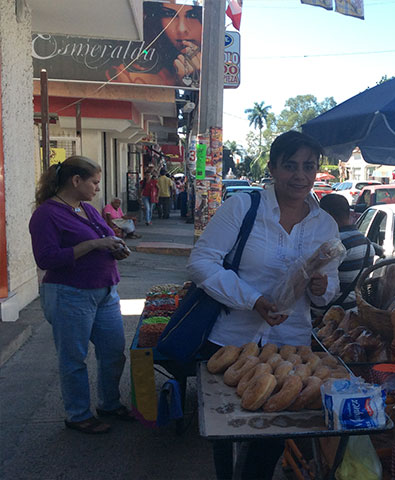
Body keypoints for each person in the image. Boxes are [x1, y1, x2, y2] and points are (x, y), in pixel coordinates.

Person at [187, 131, 341, 480]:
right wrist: (253, 300)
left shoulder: (325, 224)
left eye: (308, 166)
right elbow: (201, 262)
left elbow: (329, 288)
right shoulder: (243, 208)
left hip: (290, 348)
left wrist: (322, 287)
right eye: (290, 165)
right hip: (231, 341)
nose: (300, 175)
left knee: (270, 443)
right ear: (272, 168)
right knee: (226, 438)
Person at [29, 156, 133, 435]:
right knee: (73, 358)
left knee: (113, 352)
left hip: (105, 291)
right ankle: (78, 414)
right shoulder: (46, 214)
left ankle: (109, 403)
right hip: (70, 294)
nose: (98, 188)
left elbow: (105, 238)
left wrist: (115, 248)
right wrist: (94, 244)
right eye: (94, 182)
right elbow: (46, 258)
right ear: (76, 181)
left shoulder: (87, 209)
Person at [106, 2, 202, 88]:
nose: (181, 29)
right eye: (169, 14)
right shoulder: (136, 73)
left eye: (193, 15)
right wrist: (182, 84)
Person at [317, 193, 375, 310]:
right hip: (355, 308)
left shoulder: (334, 244)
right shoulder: (367, 243)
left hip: (331, 312)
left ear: (326, 215)